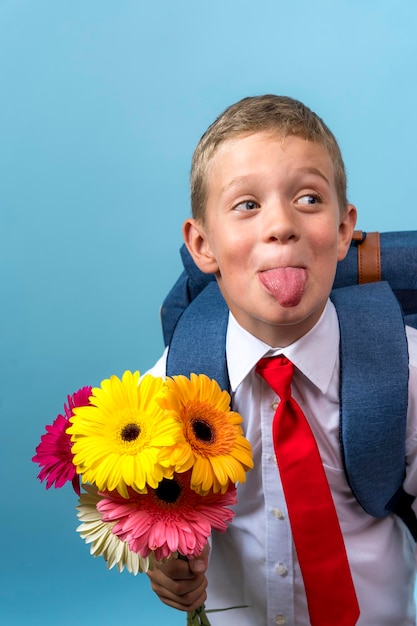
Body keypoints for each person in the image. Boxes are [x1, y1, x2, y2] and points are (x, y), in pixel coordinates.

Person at [145, 95, 417, 625]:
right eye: (247, 204)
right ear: (203, 245)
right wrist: (163, 558)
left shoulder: (404, 368)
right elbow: (141, 506)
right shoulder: (171, 384)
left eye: (310, 199)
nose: (282, 225)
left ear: (343, 231)